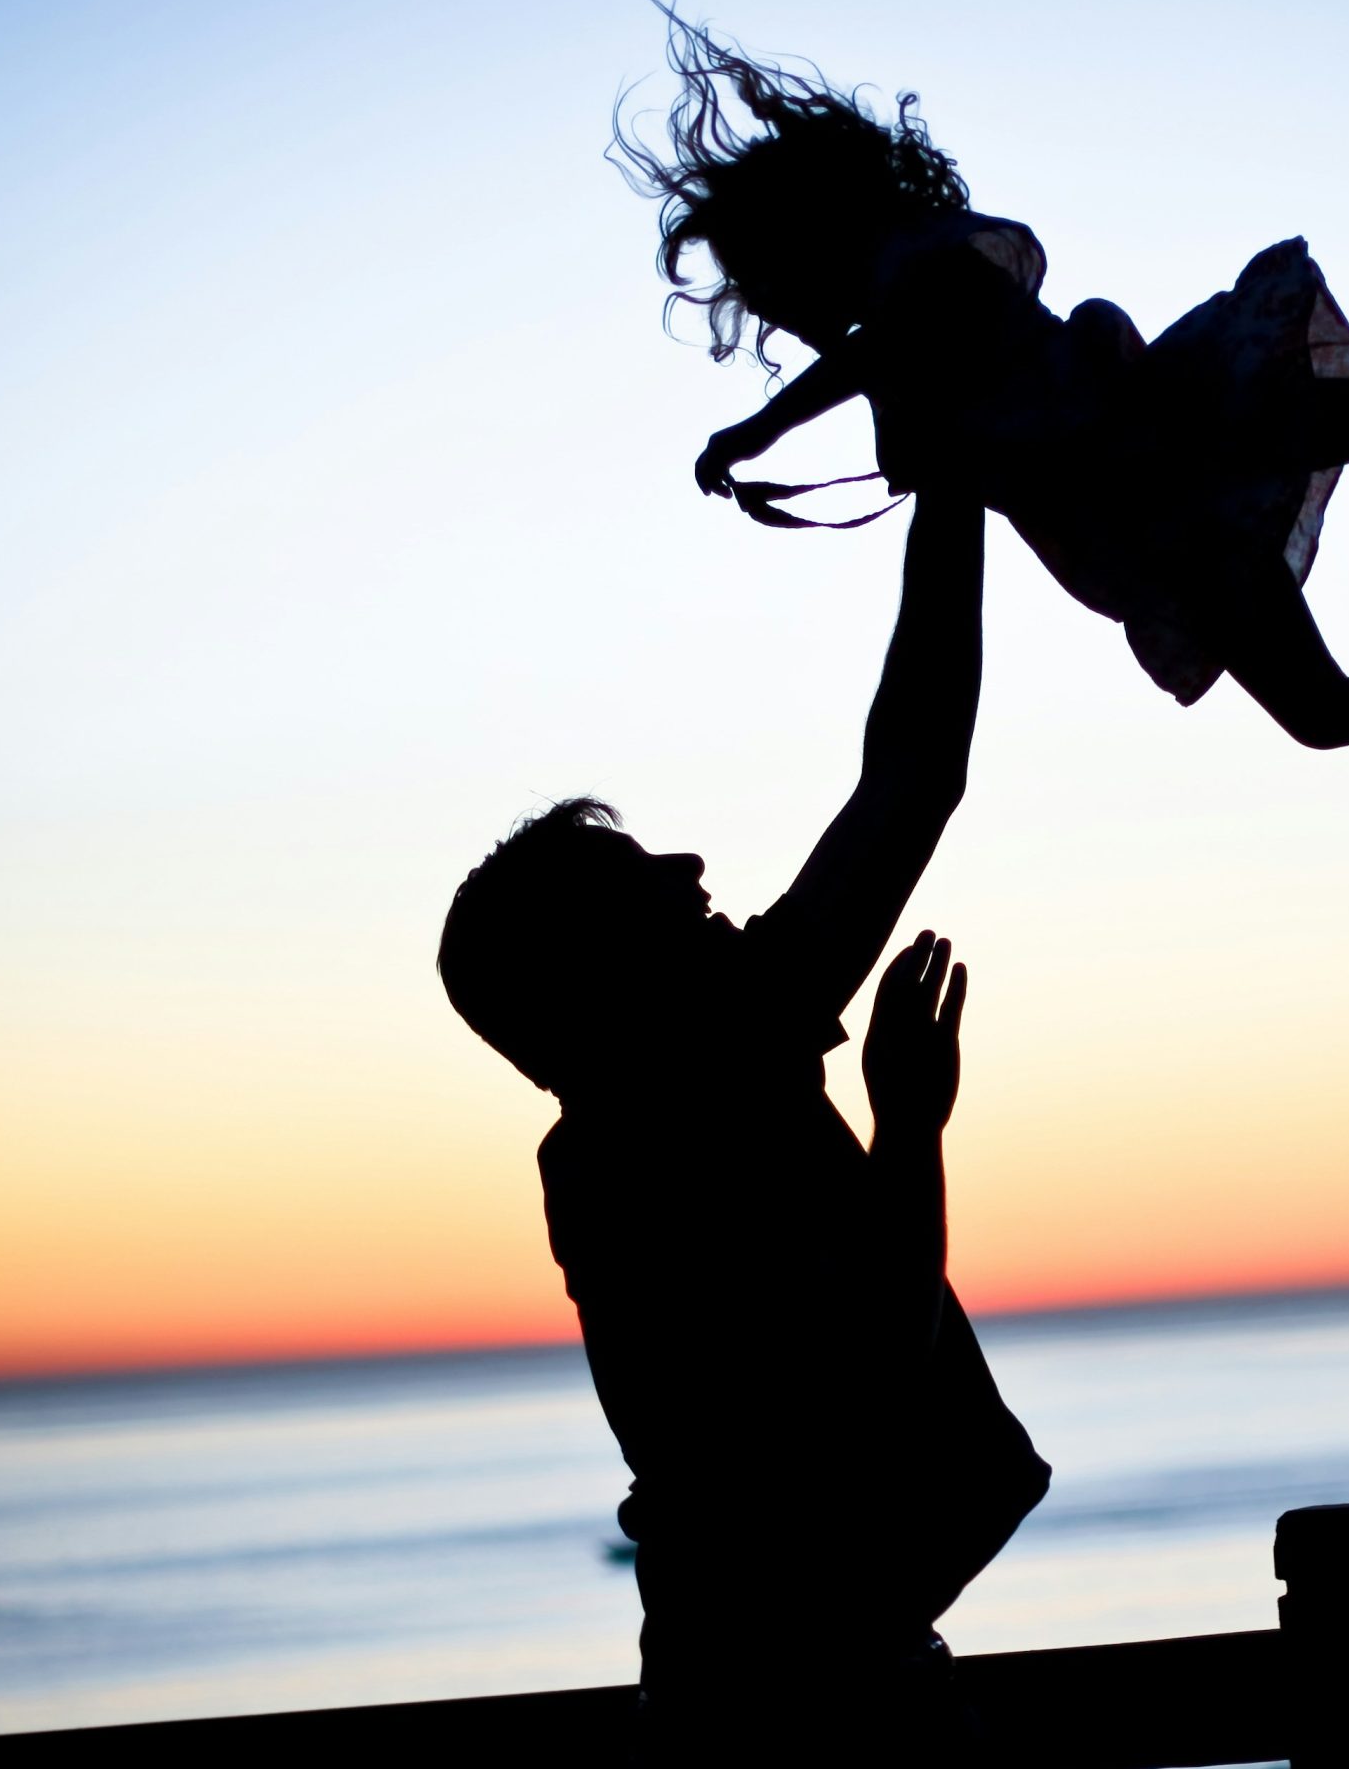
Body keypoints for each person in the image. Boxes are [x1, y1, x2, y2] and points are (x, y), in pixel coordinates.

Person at [612, 8, 1349, 843]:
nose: (771, 308)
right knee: (1329, 693)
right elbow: (907, 401)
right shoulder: (903, 305)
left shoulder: (912, 279)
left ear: (801, 238)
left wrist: (758, 433)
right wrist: (795, 439)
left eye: (763, 278)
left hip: (1171, 461)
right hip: (1157, 511)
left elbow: (894, 367)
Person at [437, 492, 1044, 1756]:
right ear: (602, 979)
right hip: (795, 1718)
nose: (693, 872)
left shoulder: (685, 1078)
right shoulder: (658, 1132)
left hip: (794, 1677)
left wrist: (953, 484)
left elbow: (914, 774)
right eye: (642, 885)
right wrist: (909, 1126)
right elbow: (872, 1360)